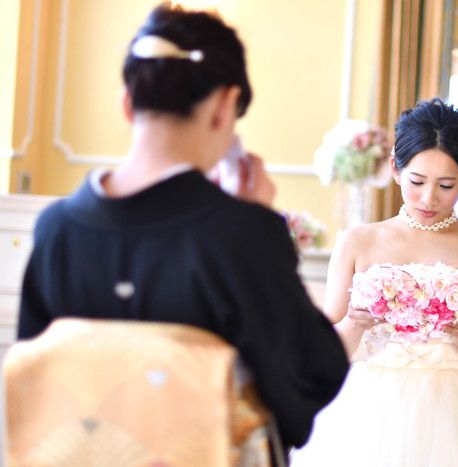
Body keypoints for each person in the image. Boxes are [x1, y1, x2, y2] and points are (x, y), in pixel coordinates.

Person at [17, 3, 348, 455]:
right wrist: (257, 222)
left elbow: (38, 378)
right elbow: (313, 372)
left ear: (127, 102)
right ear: (224, 106)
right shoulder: (241, 232)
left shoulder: (57, 228)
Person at [291, 99, 458, 466]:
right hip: (369, 414)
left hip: (456, 415)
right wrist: (356, 323)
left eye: (446, 185)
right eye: (417, 181)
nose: (429, 199)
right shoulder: (357, 242)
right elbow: (325, 354)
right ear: (395, 169)